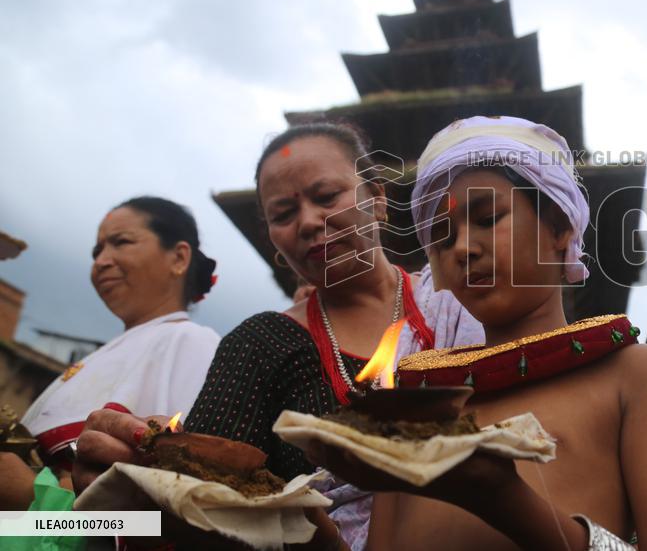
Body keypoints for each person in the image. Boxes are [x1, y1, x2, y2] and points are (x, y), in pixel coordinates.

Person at [74, 123, 483, 550]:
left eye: (326, 196)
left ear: (377, 199)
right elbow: (204, 513)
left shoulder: (465, 302)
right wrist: (137, 493)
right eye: (283, 215)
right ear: (273, 240)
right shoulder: (260, 345)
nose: (308, 221)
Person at [309, 116, 647, 550]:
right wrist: (309, 532)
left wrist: (504, 499)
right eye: (442, 239)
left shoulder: (635, 373)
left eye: (488, 218)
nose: (462, 247)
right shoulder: (416, 404)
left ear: (559, 227)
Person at [24, 196, 220, 469]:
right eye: (96, 251)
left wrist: (31, 495)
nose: (101, 261)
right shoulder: (109, 352)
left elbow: (182, 493)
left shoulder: (191, 342)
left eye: (121, 242)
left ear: (178, 257)